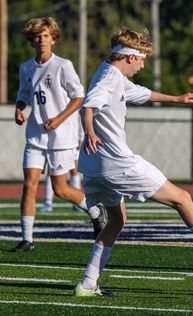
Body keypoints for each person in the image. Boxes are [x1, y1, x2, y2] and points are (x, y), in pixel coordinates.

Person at [73, 27, 193, 297]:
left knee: (116, 222)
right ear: (129, 57)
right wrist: (91, 131)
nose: (141, 65)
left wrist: (176, 98)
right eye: (141, 60)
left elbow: (139, 92)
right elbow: (88, 106)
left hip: (94, 166)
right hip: (116, 161)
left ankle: (87, 284)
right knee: (182, 198)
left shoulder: (109, 72)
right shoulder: (109, 79)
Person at [13, 17, 106, 252]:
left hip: (61, 136)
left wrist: (59, 120)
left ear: (53, 39)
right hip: (35, 135)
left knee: (60, 189)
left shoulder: (63, 65)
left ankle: (95, 211)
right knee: (29, 185)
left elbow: (78, 97)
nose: (41, 39)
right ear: (32, 40)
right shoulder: (26, 68)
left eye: (46, 35)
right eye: (38, 36)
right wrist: (19, 108)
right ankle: (27, 239)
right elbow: (24, 94)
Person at [40, 113, 84, 213]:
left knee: (74, 170)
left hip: (71, 141)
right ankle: (48, 203)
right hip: (55, 140)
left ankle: (77, 204)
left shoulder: (75, 102)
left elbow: (81, 119)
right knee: (51, 171)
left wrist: (81, 137)